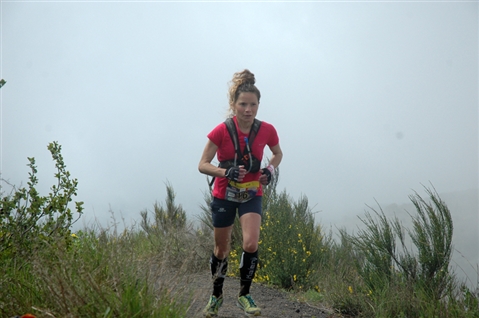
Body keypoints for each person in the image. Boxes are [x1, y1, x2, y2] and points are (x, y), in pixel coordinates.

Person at [198, 69, 283, 317]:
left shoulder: (267, 130)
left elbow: (278, 154)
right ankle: (216, 296)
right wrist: (225, 173)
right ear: (233, 105)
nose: (248, 109)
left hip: (252, 194)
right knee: (221, 250)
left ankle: (244, 295)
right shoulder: (221, 131)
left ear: (258, 105)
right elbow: (203, 164)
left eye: (253, 104)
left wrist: (269, 169)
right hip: (224, 194)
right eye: (243, 104)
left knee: (250, 242)